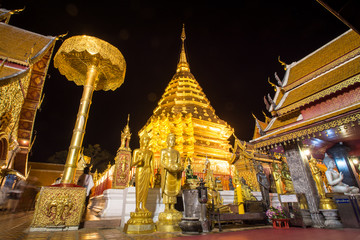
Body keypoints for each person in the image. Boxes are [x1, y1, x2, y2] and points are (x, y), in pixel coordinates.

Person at [131, 131, 154, 212]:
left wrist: (153, 176)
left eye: (148, 140)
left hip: (147, 170)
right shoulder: (137, 151)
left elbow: (152, 164)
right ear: (141, 141)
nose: (146, 142)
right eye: (145, 140)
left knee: (145, 189)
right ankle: (137, 206)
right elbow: (132, 164)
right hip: (140, 169)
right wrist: (139, 160)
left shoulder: (150, 152)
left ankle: (143, 206)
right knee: (139, 188)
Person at [160, 133, 183, 212]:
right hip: (167, 172)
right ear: (167, 141)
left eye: (174, 140)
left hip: (174, 173)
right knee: (167, 189)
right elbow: (162, 162)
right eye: (171, 140)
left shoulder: (177, 152)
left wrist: (179, 167)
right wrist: (168, 167)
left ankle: (172, 207)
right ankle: (166, 207)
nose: (172, 141)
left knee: (174, 189)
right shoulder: (163, 151)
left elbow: (179, 162)